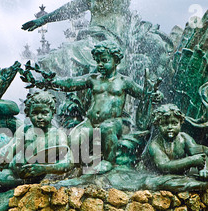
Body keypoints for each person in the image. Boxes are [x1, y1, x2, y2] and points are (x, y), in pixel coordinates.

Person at [34, 40, 162, 171]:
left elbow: (144, 94)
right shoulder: (93, 79)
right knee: (76, 136)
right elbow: (71, 83)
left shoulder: (124, 81)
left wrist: (156, 95)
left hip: (113, 122)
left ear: (116, 61)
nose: (100, 64)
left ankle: (109, 161)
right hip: (90, 121)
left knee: (107, 129)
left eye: (105, 60)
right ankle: (72, 163)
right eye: (98, 61)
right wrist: (52, 83)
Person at [0, 91, 73, 192]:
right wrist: (5, 155)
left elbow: (68, 163)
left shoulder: (58, 134)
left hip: (25, 176)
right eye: (35, 113)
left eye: (44, 113)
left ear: (52, 113)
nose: (39, 117)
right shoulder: (25, 129)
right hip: (11, 164)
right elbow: (12, 145)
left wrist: (44, 169)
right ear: (28, 114)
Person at [146, 104, 208, 180]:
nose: (170, 127)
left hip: (182, 173)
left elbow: (201, 155)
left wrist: (205, 169)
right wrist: (191, 160)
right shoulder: (154, 145)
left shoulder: (184, 138)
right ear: (157, 125)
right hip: (161, 176)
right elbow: (164, 167)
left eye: (174, 123)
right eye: (165, 124)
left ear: (180, 123)